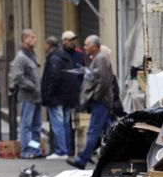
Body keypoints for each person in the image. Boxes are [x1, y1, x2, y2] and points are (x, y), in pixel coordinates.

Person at [67, 35, 115, 169]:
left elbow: (104, 81)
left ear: (94, 46)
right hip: (100, 102)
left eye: (87, 45)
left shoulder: (101, 58)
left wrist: (96, 96)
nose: (84, 47)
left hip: (101, 102)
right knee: (109, 131)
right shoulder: (98, 58)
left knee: (93, 131)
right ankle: (122, 153)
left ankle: (82, 159)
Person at [9, 29, 43, 159]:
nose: (35, 40)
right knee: (26, 125)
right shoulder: (21, 57)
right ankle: (25, 151)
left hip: (36, 97)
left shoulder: (31, 55)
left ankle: (34, 149)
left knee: (36, 126)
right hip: (27, 97)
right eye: (32, 37)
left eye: (35, 37)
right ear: (25, 39)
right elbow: (17, 76)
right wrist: (33, 86)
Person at [41, 36, 76, 159]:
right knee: (65, 124)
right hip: (66, 96)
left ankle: (61, 151)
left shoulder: (54, 58)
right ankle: (66, 150)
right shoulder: (65, 57)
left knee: (58, 124)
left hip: (57, 97)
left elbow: (54, 77)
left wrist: (49, 94)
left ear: (48, 45)